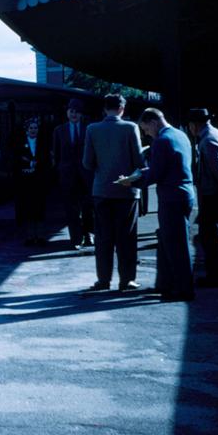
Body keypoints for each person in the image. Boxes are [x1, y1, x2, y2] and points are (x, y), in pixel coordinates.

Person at [117, 108, 196, 301]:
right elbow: (167, 166)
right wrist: (143, 173)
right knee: (170, 242)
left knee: (176, 246)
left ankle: (183, 289)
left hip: (171, 198)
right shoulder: (180, 135)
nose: (146, 134)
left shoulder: (161, 141)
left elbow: (156, 173)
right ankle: (166, 284)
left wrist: (131, 181)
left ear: (153, 122)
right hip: (185, 194)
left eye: (145, 129)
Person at [82, 94, 144, 291]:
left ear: (104, 108)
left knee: (103, 238)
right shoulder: (130, 128)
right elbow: (139, 162)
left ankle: (103, 280)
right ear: (122, 109)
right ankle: (127, 280)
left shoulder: (92, 129)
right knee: (126, 237)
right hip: (127, 193)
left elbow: (87, 163)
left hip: (101, 191)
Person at [187, 108, 218, 287]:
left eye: (189, 125)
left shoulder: (207, 141)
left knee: (211, 238)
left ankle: (215, 277)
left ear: (194, 124)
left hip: (211, 195)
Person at [52, 98, 94, 249]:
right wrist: (60, 170)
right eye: (71, 111)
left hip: (87, 174)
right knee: (71, 207)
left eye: (77, 111)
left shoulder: (89, 128)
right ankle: (75, 238)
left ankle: (88, 234)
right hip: (67, 175)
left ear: (81, 114)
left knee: (88, 206)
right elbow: (56, 155)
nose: (74, 114)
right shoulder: (59, 130)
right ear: (67, 112)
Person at [14, 117, 50, 245]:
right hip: (26, 181)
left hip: (39, 180)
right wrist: (25, 169)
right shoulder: (19, 143)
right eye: (31, 128)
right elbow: (16, 160)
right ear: (26, 130)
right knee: (28, 207)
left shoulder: (43, 143)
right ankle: (29, 236)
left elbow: (46, 160)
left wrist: (38, 168)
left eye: (35, 128)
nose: (33, 130)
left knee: (40, 208)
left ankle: (40, 236)